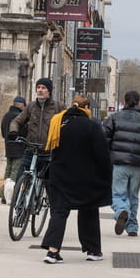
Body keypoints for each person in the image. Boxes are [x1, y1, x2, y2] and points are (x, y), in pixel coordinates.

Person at [40, 94, 112, 264]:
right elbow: (102, 154)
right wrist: (106, 173)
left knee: (59, 212)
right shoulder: (91, 126)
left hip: (60, 174)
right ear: (86, 108)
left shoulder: (58, 122)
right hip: (85, 177)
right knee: (89, 210)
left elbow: (50, 148)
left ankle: (52, 252)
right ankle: (93, 250)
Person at [105, 90, 140, 237]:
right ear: (139, 102)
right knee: (133, 196)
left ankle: (121, 212)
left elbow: (103, 140)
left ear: (125, 102)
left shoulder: (114, 119)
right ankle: (132, 227)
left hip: (118, 163)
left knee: (117, 194)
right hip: (137, 165)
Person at [8, 77, 60, 184]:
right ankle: (18, 200)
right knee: (20, 180)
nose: (40, 90)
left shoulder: (57, 107)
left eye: (43, 88)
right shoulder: (31, 106)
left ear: (49, 91)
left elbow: (66, 123)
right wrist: (13, 131)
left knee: (51, 185)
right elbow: (17, 121)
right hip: (31, 150)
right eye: (38, 87)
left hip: (48, 153)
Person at [0, 95, 27, 203]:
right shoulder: (19, 116)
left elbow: (2, 132)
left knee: (8, 173)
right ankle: (12, 197)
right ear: (22, 106)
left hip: (8, 147)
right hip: (18, 148)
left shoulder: (6, 116)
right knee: (15, 174)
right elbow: (23, 133)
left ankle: (4, 196)